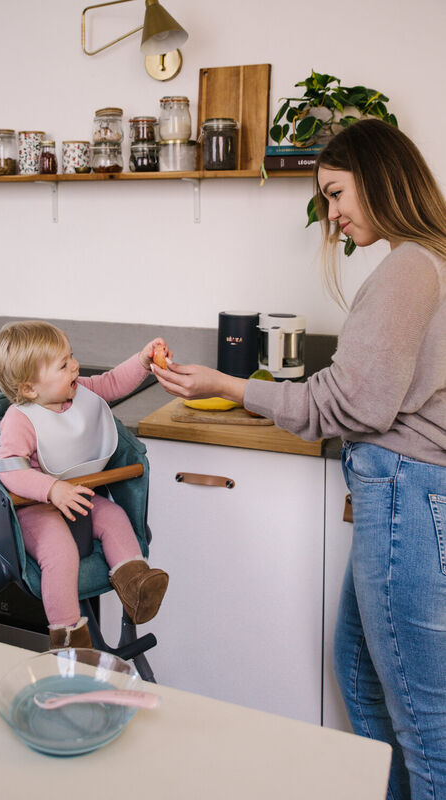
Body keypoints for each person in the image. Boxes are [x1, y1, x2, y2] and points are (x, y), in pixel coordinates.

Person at [151, 119, 446, 799]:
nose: (333, 216)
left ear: (378, 178)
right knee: (361, 674)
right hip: (407, 498)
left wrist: (227, 384)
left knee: (426, 730)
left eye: (336, 193)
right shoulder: (431, 259)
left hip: (405, 498)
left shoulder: (409, 267)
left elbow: (350, 406)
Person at [0, 320, 171, 650]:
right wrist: (51, 489)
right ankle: (69, 636)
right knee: (60, 552)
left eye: (71, 356)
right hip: (35, 509)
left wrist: (142, 361)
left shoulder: (78, 391)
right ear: (30, 389)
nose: (75, 365)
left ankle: (136, 585)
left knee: (114, 516)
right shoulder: (21, 419)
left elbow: (113, 383)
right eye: (63, 364)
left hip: (77, 495)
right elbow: (10, 472)